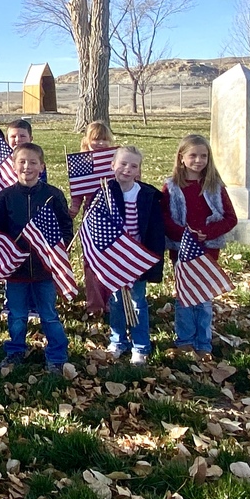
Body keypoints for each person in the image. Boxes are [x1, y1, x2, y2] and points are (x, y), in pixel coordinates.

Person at [0, 143, 73, 374]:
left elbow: (66, 227)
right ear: (14, 165)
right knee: (17, 315)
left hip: (44, 268)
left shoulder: (53, 195)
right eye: (22, 162)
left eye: (33, 162)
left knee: (48, 314)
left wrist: (59, 249)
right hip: (15, 270)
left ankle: (57, 355)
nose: (27, 166)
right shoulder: (5, 196)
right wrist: (4, 256)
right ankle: (15, 350)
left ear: (42, 166)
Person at [161, 135, 237, 360]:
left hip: (208, 249)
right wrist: (182, 233)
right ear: (181, 158)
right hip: (181, 249)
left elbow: (230, 218)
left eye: (203, 156)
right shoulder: (171, 186)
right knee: (185, 296)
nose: (198, 160)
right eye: (193, 155)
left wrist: (208, 232)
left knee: (203, 298)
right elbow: (164, 217)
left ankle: (203, 343)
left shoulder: (215, 186)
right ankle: (184, 341)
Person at [97, 146, 165, 365]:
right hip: (115, 259)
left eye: (133, 166)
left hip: (138, 258)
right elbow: (97, 226)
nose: (127, 169)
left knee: (137, 302)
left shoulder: (147, 195)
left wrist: (152, 261)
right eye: (123, 164)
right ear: (112, 166)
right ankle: (118, 341)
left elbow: (155, 231)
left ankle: (141, 346)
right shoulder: (105, 192)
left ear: (139, 171)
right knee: (116, 301)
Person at [69, 121, 116, 317]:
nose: (100, 143)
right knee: (91, 261)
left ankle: (113, 301)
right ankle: (95, 303)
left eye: (104, 139)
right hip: (92, 217)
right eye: (96, 139)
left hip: (115, 217)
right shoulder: (82, 162)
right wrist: (74, 207)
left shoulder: (115, 160)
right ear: (87, 140)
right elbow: (79, 191)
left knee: (112, 259)